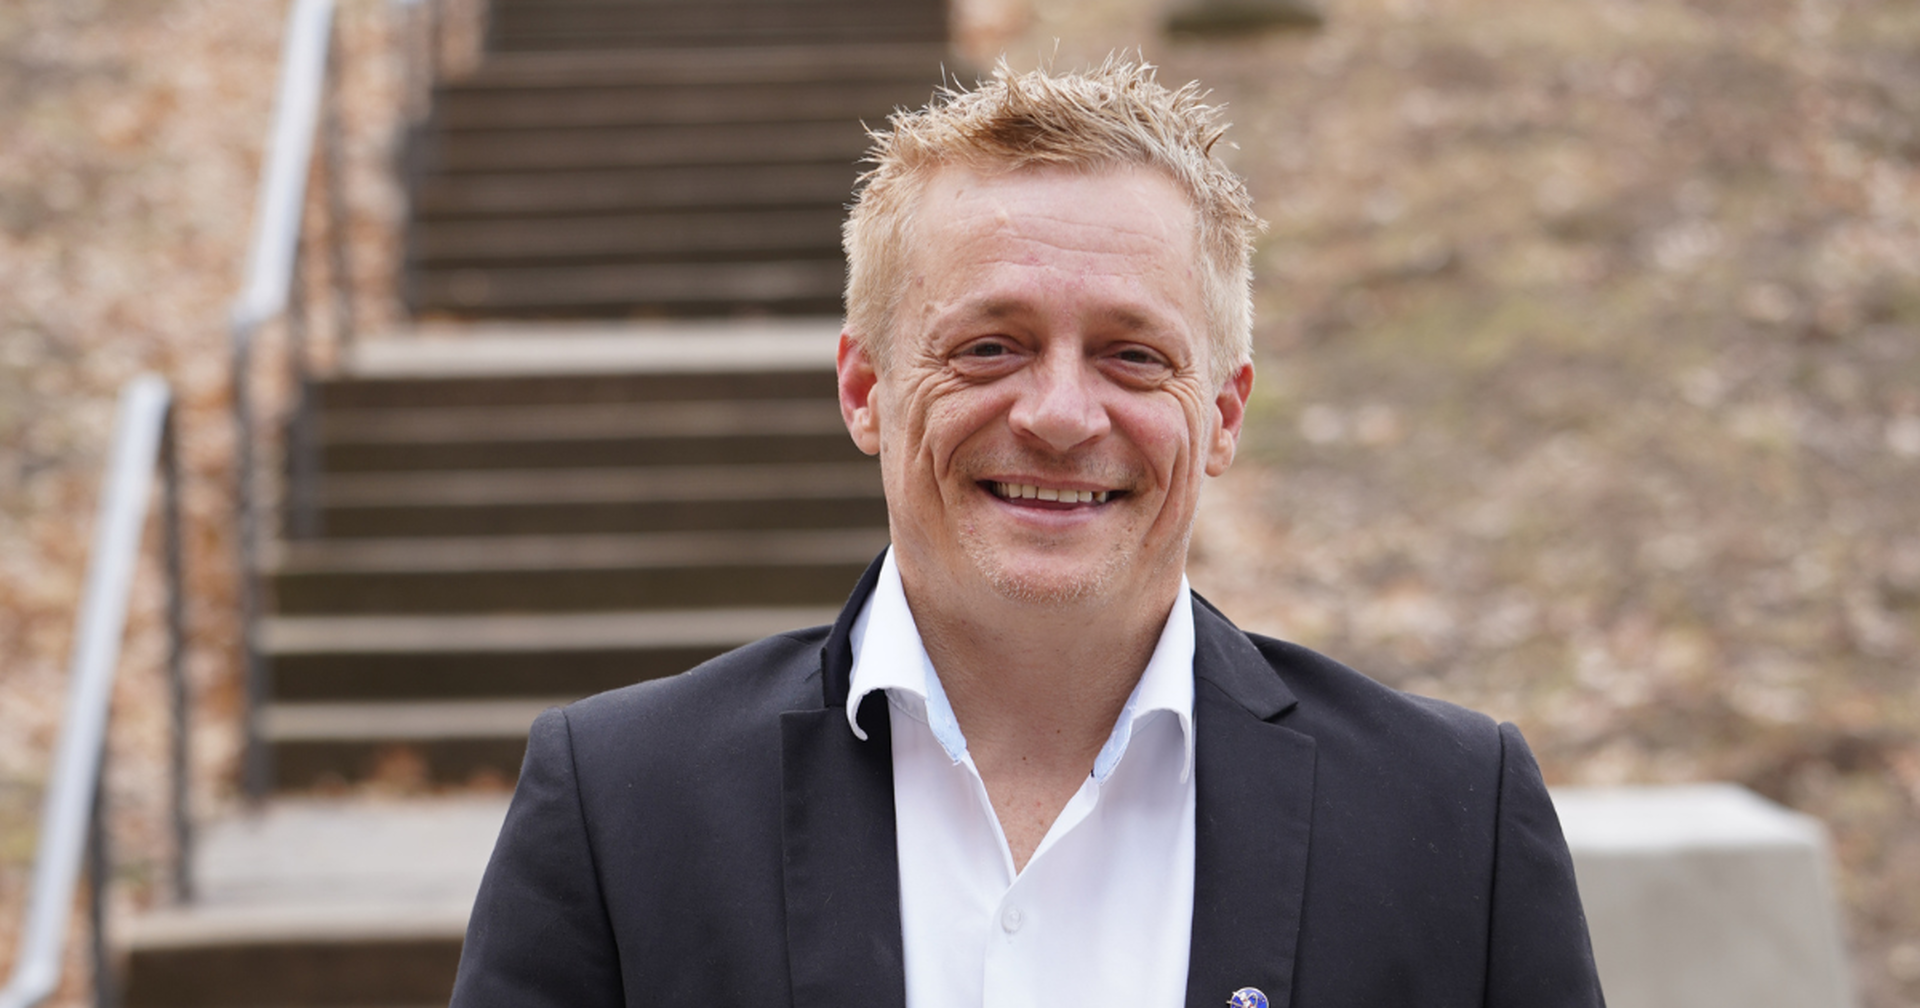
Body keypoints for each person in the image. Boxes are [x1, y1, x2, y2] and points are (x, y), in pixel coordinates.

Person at [450, 57, 1604, 1008]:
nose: (1058, 414)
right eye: (989, 347)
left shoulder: (1452, 820)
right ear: (865, 389)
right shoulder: (622, 807)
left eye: (1133, 355)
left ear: (1222, 415)